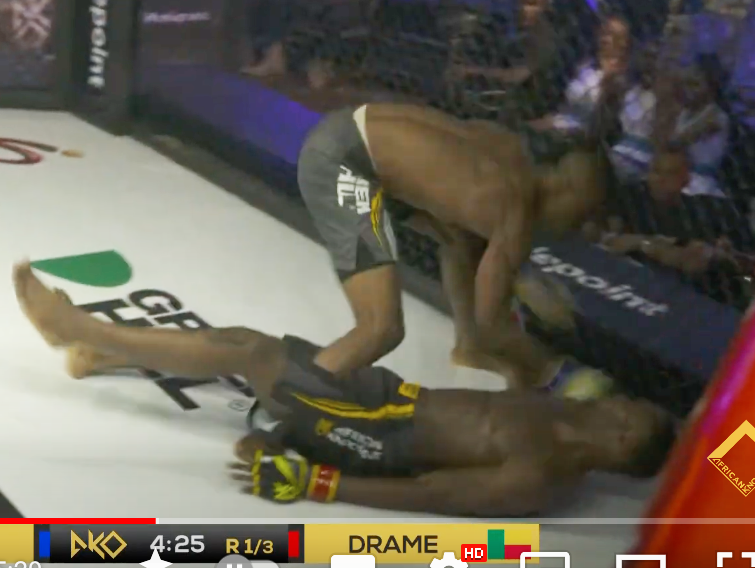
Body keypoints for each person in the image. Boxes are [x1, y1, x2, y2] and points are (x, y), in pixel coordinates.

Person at [13, 262, 676, 516]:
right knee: (272, 359)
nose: (619, 402)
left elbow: (437, 493)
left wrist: (320, 484)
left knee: (253, 351)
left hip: (375, 436)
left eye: (629, 414)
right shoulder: (563, 405)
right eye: (628, 400)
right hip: (387, 398)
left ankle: (74, 329)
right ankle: (99, 356)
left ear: (622, 443)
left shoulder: (542, 475)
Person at [296, 101, 610, 387]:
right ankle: (291, 399)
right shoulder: (513, 209)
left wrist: (521, 282)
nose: (580, 230)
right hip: (343, 165)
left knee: (463, 243)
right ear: (566, 191)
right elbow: (492, 326)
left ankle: (468, 348)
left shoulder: (508, 147)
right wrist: (555, 370)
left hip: (350, 124)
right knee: (380, 328)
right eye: (581, 216)